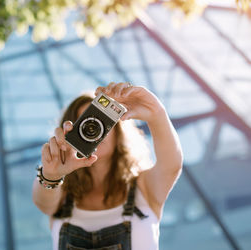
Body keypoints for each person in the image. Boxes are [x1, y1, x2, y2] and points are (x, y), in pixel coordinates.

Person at [32, 82, 183, 250]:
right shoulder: (61, 192)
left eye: (100, 121)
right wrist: (51, 176)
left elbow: (171, 166)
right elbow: (43, 204)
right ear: (69, 133)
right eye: (84, 123)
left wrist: (156, 113)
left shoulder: (143, 186)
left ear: (118, 129)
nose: (93, 128)